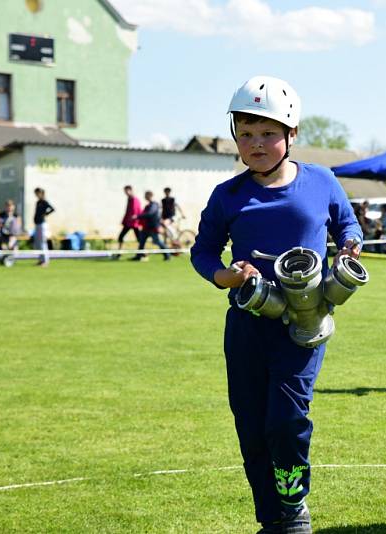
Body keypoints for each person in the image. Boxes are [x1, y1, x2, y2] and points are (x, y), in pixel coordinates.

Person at [190, 75, 361, 534]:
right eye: (245, 133)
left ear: (292, 134)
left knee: (286, 419)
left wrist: (348, 245)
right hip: (247, 323)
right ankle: (272, 518)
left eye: (267, 132)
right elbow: (202, 253)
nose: (256, 143)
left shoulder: (321, 181)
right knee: (250, 422)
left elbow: (348, 225)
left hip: (303, 322)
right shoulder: (227, 195)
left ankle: (293, 506)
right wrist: (225, 275)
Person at [132, 191, 170, 261]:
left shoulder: (154, 205)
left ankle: (167, 255)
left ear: (149, 196)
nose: (145, 197)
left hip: (152, 227)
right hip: (146, 227)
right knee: (141, 241)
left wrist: (137, 216)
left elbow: (150, 214)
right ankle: (139, 256)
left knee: (157, 241)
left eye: (146, 195)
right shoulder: (148, 205)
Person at [33, 187, 55, 266]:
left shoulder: (44, 202)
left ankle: (45, 261)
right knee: (38, 243)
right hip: (37, 223)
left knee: (43, 242)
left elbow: (52, 209)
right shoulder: (38, 202)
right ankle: (40, 260)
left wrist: (45, 214)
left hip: (42, 224)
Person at [117, 185, 142, 254]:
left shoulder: (135, 199)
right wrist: (124, 221)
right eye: (125, 191)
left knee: (140, 239)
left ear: (131, 190)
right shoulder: (129, 199)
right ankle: (119, 252)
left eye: (127, 191)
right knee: (121, 237)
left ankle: (143, 254)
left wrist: (135, 218)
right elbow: (128, 212)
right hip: (128, 223)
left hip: (134, 223)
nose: (126, 193)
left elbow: (137, 211)